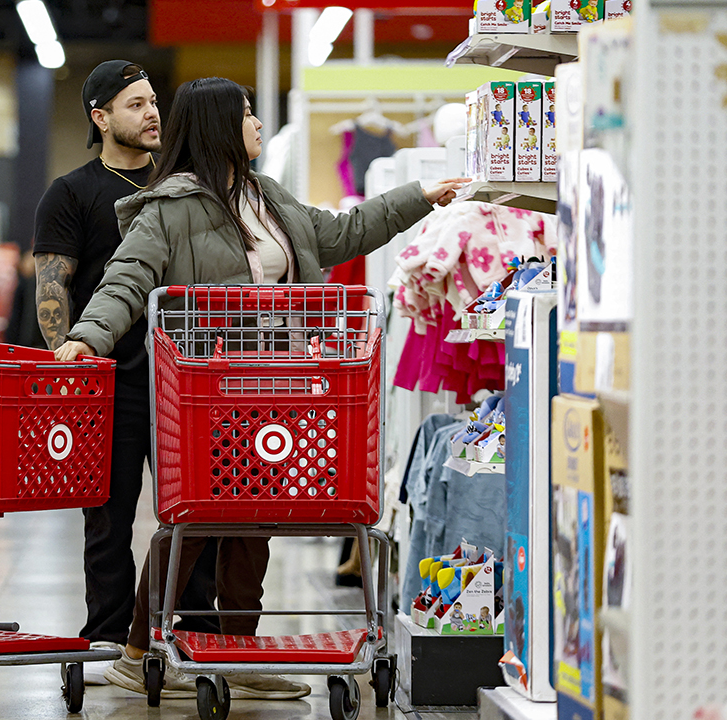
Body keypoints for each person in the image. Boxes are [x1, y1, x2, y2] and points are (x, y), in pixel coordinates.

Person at [54, 76, 467, 697]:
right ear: (221, 124)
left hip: (281, 384)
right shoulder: (169, 208)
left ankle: (237, 652)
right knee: (197, 517)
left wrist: (420, 196)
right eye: (247, 114)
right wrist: (88, 336)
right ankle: (138, 647)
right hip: (205, 392)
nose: (257, 124)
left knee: (258, 517)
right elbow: (125, 278)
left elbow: (341, 233)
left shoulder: (266, 196)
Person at [33, 60, 224, 695]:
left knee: (193, 516)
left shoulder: (183, 188)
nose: (151, 114)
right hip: (110, 384)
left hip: (186, 383)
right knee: (109, 521)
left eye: (153, 103)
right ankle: (110, 638)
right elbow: (52, 289)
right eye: (135, 104)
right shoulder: (72, 192)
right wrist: (72, 371)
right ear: (100, 116)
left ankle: (192, 635)